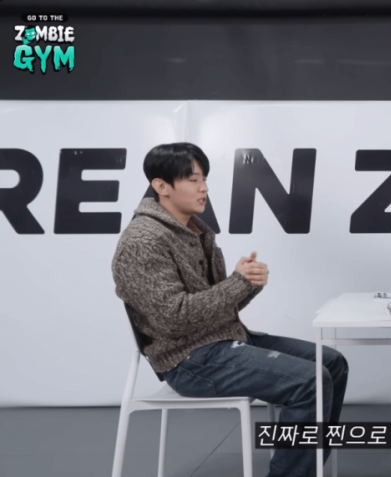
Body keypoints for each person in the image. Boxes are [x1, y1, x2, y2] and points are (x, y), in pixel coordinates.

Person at [112, 143, 348, 477]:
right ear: (161, 186)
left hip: (224, 340)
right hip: (188, 359)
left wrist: (247, 284)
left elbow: (216, 308)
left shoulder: (195, 231)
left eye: (204, 179)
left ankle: (305, 470)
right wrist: (237, 283)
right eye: (193, 179)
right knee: (310, 381)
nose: (204, 188)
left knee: (332, 363)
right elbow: (174, 319)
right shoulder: (143, 242)